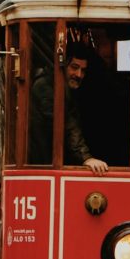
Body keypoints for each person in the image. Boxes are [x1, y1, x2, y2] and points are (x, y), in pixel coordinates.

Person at [29, 42, 108, 175]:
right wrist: (86, 157)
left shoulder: (64, 88)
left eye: (83, 70)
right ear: (63, 65)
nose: (79, 74)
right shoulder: (45, 87)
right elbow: (64, 123)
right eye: (74, 67)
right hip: (41, 165)